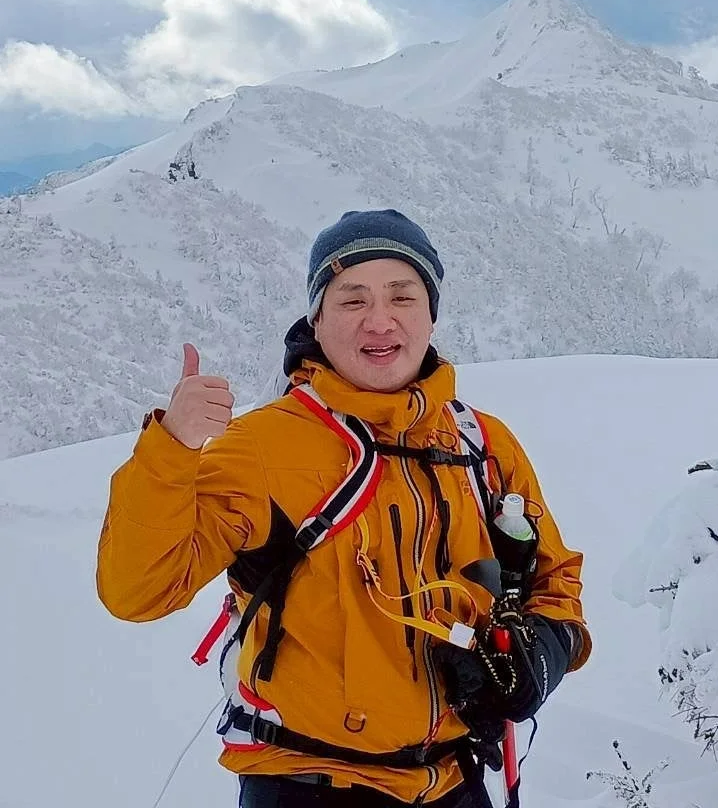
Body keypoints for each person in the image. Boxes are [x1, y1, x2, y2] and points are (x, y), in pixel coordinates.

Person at [97, 209, 590, 808]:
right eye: (352, 300)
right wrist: (171, 449)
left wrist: (545, 651)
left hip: (455, 780)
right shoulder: (260, 448)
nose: (379, 320)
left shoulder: (481, 443)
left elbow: (554, 579)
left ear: (431, 314)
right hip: (309, 783)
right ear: (317, 320)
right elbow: (138, 591)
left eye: (402, 296)